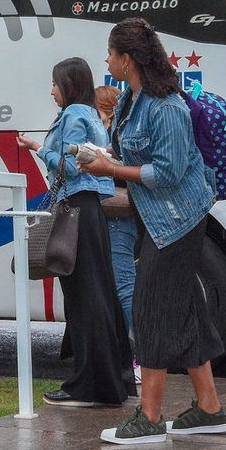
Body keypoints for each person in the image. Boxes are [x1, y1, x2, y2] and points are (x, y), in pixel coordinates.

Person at [80, 19, 226, 444]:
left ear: (127, 59)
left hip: (179, 220)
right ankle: (210, 408)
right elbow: (133, 151)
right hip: (161, 218)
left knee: (151, 311)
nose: (106, 61)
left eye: (110, 54)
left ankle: (148, 417)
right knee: (187, 312)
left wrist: (109, 168)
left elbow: (167, 172)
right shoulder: (131, 99)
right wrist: (102, 155)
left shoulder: (168, 108)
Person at [17, 60, 133, 408]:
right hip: (92, 212)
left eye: (54, 84)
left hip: (76, 211)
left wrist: (39, 149)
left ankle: (87, 385)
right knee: (99, 296)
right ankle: (112, 380)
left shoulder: (72, 116)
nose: (51, 90)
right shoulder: (92, 115)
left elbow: (70, 165)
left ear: (68, 84)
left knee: (84, 300)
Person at [94, 84, 138, 380]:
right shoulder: (114, 134)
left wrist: (101, 160)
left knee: (124, 286)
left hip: (118, 217)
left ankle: (142, 359)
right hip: (118, 215)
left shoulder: (112, 137)